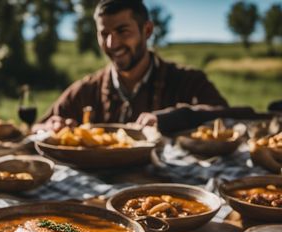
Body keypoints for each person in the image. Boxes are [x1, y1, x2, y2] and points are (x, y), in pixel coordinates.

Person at [34, 0, 255, 135]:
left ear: (147, 30)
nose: (112, 44)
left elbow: (234, 119)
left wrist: (174, 118)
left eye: (122, 31)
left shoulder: (189, 80)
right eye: (104, 34)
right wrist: (51, 127)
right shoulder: (86, 89)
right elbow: (36, 128)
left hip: (170, 190)